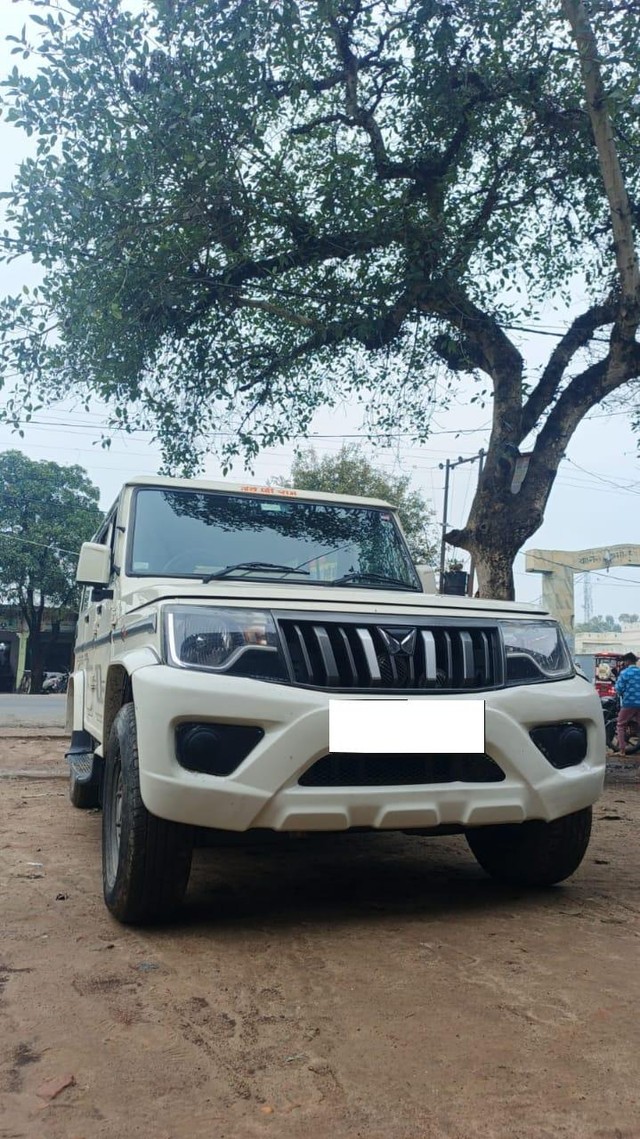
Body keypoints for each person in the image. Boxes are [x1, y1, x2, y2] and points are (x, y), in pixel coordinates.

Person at [614, 652, 640, 755]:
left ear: (628, 661)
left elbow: (619, 689)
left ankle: (622, 750)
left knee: (620, 724)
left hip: (629, 702)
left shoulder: (625, 673)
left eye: (625, 661)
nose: (624, 663)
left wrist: (620, 691)